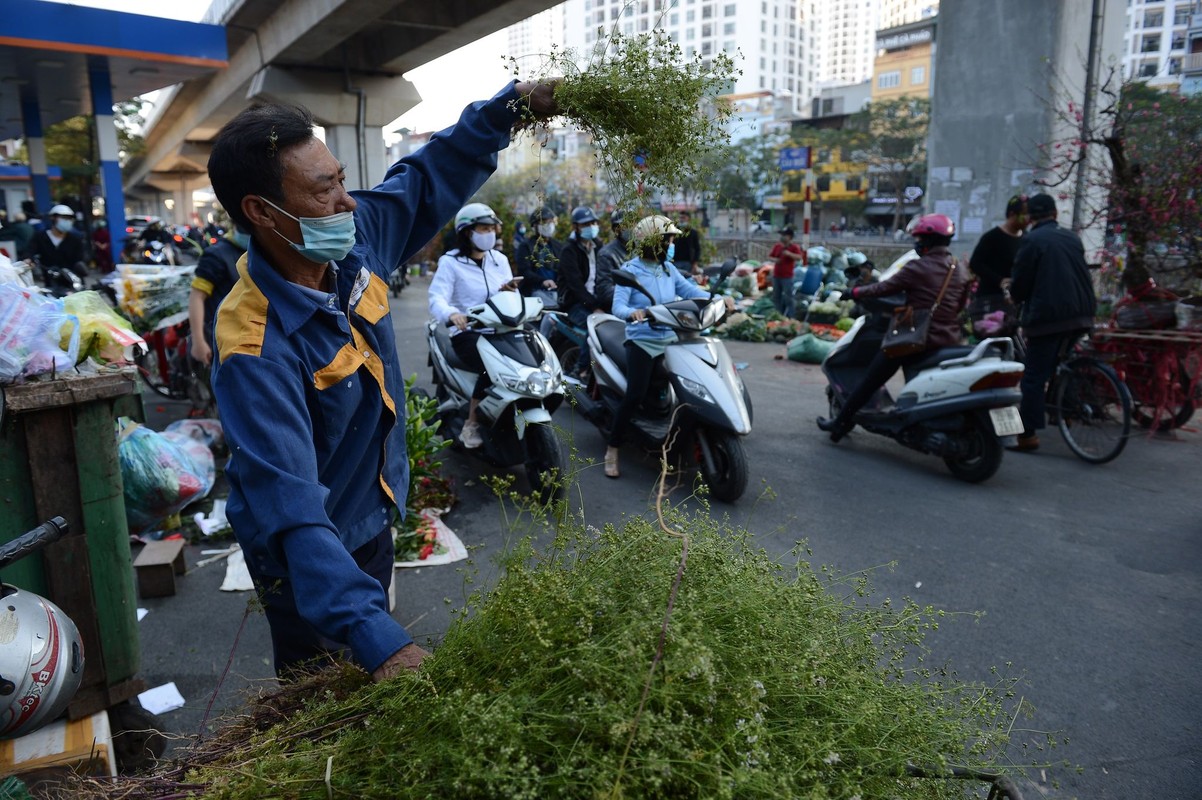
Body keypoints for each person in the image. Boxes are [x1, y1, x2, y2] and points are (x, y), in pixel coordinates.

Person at [207, 80, 556, 683]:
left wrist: (513, 106)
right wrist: (384, 644)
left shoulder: (353, 248)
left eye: (341, 179)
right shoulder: (254, 345)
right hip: (306, 556)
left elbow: (424, 180)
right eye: (325, 191)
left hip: (370, 521)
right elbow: (291, 510)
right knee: (326, 698)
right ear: (261, 212)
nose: (348, 202)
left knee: (371, 646)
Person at [816, 213, 971, 442]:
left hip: (917, 339)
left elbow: (883, 288)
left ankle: (840, 424)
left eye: (919, 239)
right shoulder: (960, 268)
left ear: (928, 241)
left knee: (872, 378)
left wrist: (854, 292)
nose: (916, 244)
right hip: (949, 338)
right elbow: (960, 305)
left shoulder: (918, 267)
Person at [603, 215, 732, 478]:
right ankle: (613, 449)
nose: (672, 244)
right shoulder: (631, 271)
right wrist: (634, 313)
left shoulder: (667, 269)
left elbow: (690, 291)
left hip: (671, 339)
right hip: (643, 340)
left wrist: (718, 299)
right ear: (653, 242)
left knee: (690, 386)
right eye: (669, 240)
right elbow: (618, 306)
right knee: (635, 395)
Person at [1008, 193, 1097, 453]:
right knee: (1061, 363)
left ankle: (1027, 436)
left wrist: (1013, 297)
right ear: (1055, 214)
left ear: (1030, 217)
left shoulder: (1032, 240)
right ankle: (1066, 412)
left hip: (1049, 317)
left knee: (1034, 376)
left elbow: (1021, 281)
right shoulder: (1071, 237)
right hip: (1082, 313)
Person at [427, 203, 521, 448]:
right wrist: (452, 314)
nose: (490, 232)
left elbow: (505, 296)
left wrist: (508, 291)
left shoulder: (499, 260)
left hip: (500, 329)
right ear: (468, 232)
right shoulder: (451, 263)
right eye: (484, 228)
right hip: (468, 331)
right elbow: (436, 297)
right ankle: (471, 424)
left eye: (492, 228)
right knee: (490, 367)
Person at [188, 224, 249, 371]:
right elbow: (197, 297)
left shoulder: (261, 251)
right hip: (224, 341)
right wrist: (198, 341)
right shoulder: (217, 255)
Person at [557, 205, 605, 379]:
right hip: (575, 302)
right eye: (586, 224)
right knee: (593, 326)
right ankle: (581, 368)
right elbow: (576, 285)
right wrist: (594, 307)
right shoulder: (569, 251)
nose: (591, 227)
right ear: (576, 227)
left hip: (596, 299)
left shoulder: (598, 246)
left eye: (593, 222)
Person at [967, 194, 1026, 335]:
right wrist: (999, 280)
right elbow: (975, 263)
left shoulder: (1027, 238)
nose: (1028, 218)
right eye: (1024, 214)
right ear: (1012, 214)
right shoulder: (992, 237)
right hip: (991, 301)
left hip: (1015, 302)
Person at [514, 205, 562, 303]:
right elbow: (524, 271)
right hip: (534, 292)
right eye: (544, 222)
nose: (549, 225)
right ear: (534, 226)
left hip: (557, 290)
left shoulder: (558, 245)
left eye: (551, 221)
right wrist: (542, 281)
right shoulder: (526, 246)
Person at [28, 204, 87, 278]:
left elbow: (80, 260)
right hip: (50, 281)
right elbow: (29, 251)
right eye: (64, 218)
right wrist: (28, 260)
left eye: (70, 219)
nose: (67, 221)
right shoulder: (40, 237)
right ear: (53, 218)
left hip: (73, 281)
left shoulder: (75, 239)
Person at [594, 210, 630, 311]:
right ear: (616, 230)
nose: (630, 228)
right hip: (620, 308)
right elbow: (605, 291)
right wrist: (633, 294)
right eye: (624, 225)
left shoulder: (642, 250)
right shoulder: (607, 254)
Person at [769, 227, 803, 319]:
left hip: (787, 277)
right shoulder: (777, 246)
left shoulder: (794, 247)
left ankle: (791, 317)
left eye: (784, 235)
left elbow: (799, 257)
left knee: (789, 298)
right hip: (776, 276)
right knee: (776, 298)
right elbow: (770, 256)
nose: (782, 237)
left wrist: (789, 254)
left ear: (789, 236)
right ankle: (778, 316)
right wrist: (776, 260)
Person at [673, 210, 702, 278]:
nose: (681, 219)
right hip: (675, 261)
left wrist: (695, 263)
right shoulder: (674, 232)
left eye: (683, 217)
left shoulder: (693, 232)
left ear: (688, 218)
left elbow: (697, 249)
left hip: (688, 262)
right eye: (680, 217)